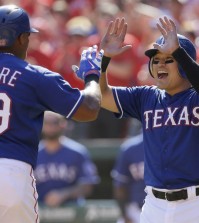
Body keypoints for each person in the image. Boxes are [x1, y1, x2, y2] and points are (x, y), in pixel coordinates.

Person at [73, 17, 199, 222]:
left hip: (195, 204)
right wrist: (104, 60)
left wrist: (178, 52)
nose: (159, 65)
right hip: (154, 205)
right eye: (155, 60)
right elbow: (102, 96)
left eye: (168, 59)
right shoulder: (145, 96)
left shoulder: (195, 97)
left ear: (184, 64)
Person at [0, 4, 104, 223]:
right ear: (21, 38)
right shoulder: (33, 75)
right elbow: (89, 110)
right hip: (11, 172)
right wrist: (92, 76)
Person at [34, 111, 100, 207]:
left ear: (64, 124)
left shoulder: (78, 152)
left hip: (72, 209)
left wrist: (64, 194)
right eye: (47, 123)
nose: (51, 127)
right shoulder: (34, 153)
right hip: (39, 209)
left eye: (55, 122)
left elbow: (88, 185)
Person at [111, 132, 145, 223]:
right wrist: (125, 215)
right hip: (135, 211)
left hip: (166, 207)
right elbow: (120, 186)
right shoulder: (130, 148)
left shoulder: (170, 145)